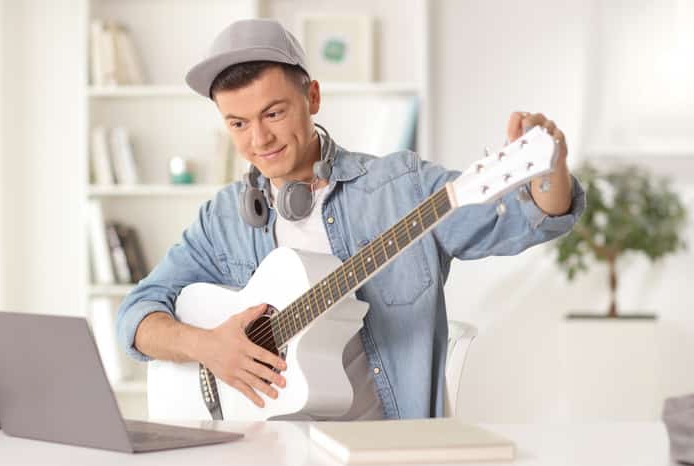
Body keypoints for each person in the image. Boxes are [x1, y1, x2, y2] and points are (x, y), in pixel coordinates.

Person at [115, 19, 586, 420]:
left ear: (313, 97)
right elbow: (135, 316)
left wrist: (550, 172)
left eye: (273, 112)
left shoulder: (399, 189)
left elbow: (522, 221)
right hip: (260, 456)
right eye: (237, 123)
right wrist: (208, 347)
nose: (259, 138)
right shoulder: (222, 219)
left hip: (381, 458)